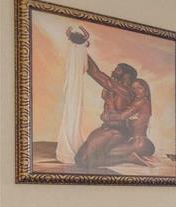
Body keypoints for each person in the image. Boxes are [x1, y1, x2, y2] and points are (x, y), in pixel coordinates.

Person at [66, 26, 156, 168]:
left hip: (117, 132)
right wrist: (81, 47)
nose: (114, 70)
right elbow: (98, 75)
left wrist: (82, 47)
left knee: (84, 162)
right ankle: (128, 156)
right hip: (104, 128)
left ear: (127, 75)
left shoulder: (126, 91)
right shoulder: (111, 89)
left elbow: (96, 73)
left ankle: (127, 157)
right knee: (79, 159)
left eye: (118, 69)